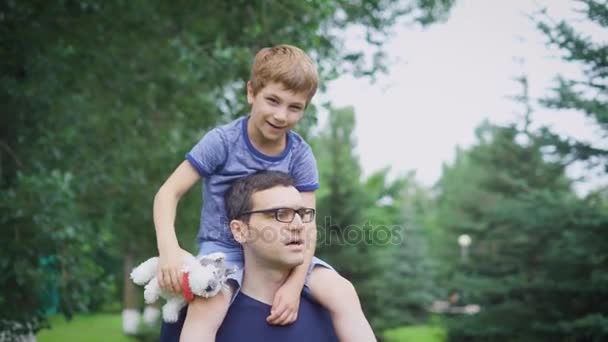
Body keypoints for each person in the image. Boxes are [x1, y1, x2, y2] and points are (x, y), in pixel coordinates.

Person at [153, 44, 376, 341]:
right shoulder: (222, 142)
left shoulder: (300, 155)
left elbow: (306, 225)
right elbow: (167, 193)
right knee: (207, 307)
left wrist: (294, 286)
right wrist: (169, 251)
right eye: (273, 100)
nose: (281, 115)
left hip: (279, 246)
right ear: (251, 93)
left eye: (294, 107)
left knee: (341, 291)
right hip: (223, 249)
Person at [161, 171, 339, 341]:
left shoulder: (332, 308)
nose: (299, 225)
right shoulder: (194, 314)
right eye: (279, 214)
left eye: (301, 214)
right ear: (240, 230)